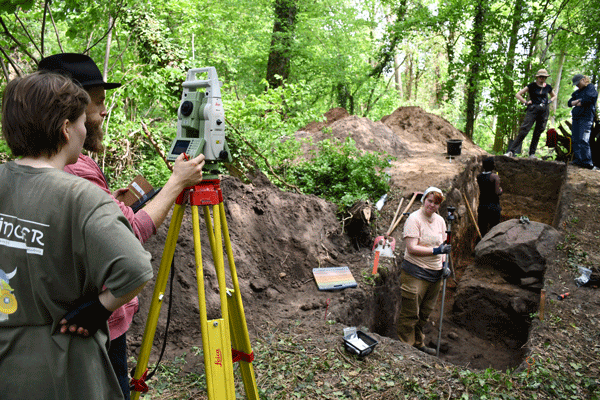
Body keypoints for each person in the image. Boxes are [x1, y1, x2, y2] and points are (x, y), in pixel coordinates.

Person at [38, 53, 206, 399]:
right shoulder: (75, 171)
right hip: (97, 323)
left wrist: (109, 204)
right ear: (67, 112)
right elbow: (130, 239)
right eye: (97, 103)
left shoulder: (58, 164)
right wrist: (177, 183)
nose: (103, 112)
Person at [0, 71, 154, 399]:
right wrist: (100, 308)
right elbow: (136, 269)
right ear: (66, 128)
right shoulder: (82, 196)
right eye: (82, 122)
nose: (86, 131)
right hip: (64, 372)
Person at [397, 187, 451, 356]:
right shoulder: (414, 219)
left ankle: (418, 344)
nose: (432, 205)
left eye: (436, 203)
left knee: (425, 314)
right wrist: (436, 251)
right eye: (429, 201)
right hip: (415, 273)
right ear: (424, 200)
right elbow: (412, 248)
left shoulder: (440, 221)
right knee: (410, 313)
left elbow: (443, 247)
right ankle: (405, 348)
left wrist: (444, 266)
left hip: (435, 275)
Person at [505, 69, 557, 158]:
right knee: (524, 130)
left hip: (544, 111)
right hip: (532, 110)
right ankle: (511, 151)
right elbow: (518, 94)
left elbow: (554, 96)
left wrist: (549, 101)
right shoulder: (532, 85)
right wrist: (525, 102)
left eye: (544, 77)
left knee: (538, 131)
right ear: (537, 77)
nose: (542, 79)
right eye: (540, 77)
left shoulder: (548, 87)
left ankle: (532, 154)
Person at [568, 74, 599, 170]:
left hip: (586, 118)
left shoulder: (590, 87)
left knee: (583, 139)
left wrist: (577, 102)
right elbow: (569, 102)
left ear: (583, 80)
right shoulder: (577, 92)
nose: (577, 86)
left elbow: (589, 99)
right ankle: (578, 160)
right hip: (576, 118)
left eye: (578, 83)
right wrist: (577, 102)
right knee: (575, 139)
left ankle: (587, 162)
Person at [476, 157, 503, 237]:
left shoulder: (479, 176)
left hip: (483, 206)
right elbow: (497, 192)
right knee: (494, 229)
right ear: (492, 165)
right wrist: (501, 190)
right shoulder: (494, 177)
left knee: (483, 229)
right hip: (493, 206)